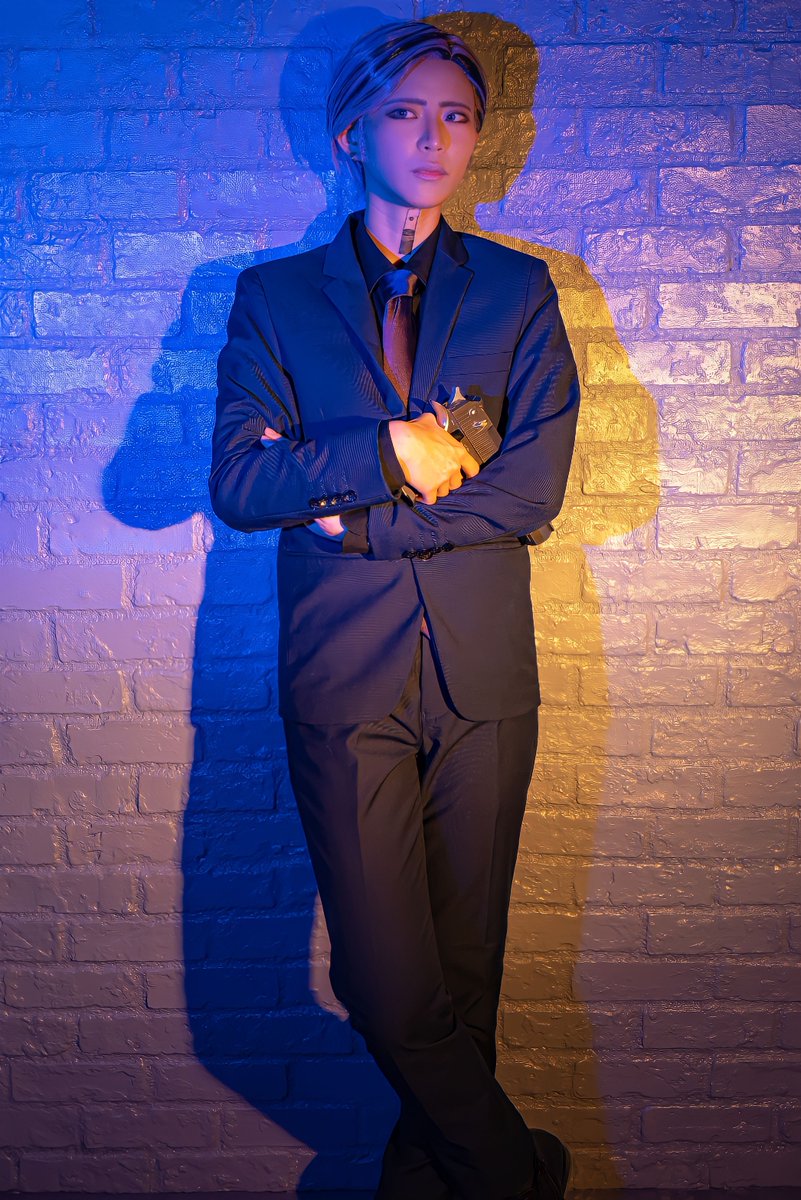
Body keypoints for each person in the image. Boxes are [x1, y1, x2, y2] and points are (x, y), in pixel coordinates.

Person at [209, 19, 580, 1200]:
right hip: (344, 680)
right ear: (351, 134)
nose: (433, 137)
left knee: (468, 973)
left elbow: (533, 490)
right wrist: (389, 451)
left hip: (485, 679)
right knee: (384, 983)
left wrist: (360, 519)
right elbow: (242, 483)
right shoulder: (274, 299)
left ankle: (435, 1184)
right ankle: (512, 1173)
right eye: (407, 113)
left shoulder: (519, 292)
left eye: (456, 116)